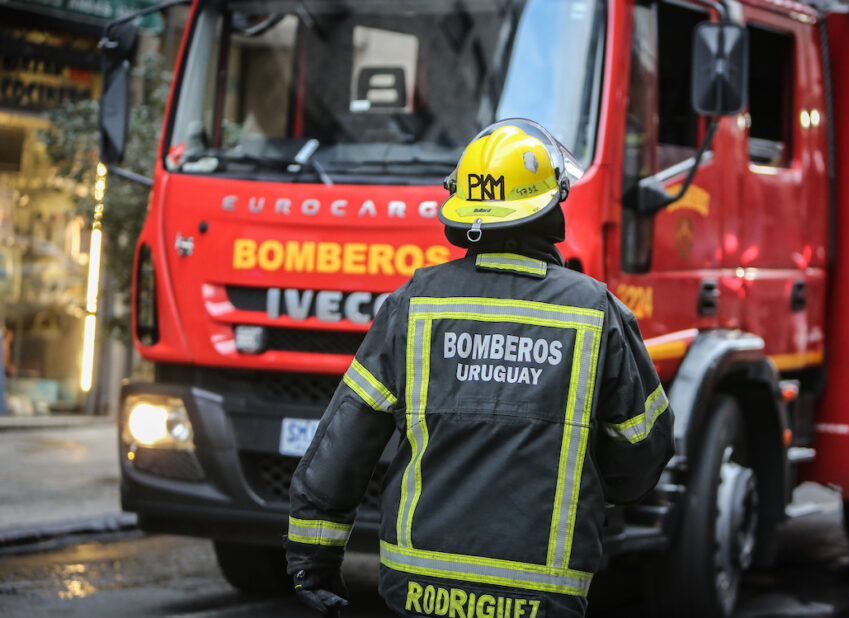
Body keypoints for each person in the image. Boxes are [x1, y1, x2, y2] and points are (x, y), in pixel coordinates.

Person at [285, 119, 674, 617]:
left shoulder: (416, 303)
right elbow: (643, 453)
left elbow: (345, 442)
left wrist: (311, 558)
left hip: (419, 588)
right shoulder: (595, 312)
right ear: (550, 206)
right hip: (539, 596)